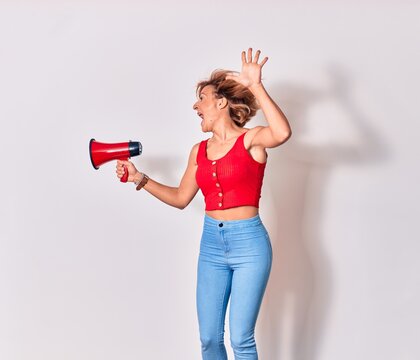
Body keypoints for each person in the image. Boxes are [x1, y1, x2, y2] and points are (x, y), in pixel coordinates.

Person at [116, 48, 292, 360]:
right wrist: (138, 178)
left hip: (249, 244)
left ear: (222, 102)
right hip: (211, 244)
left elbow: (282, 132)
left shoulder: (251, 140)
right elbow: (181, 198)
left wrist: (255, 86)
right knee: (210, 339)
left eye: (202, 98)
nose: (196, 105)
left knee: (241, 339)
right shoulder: (198, 151)